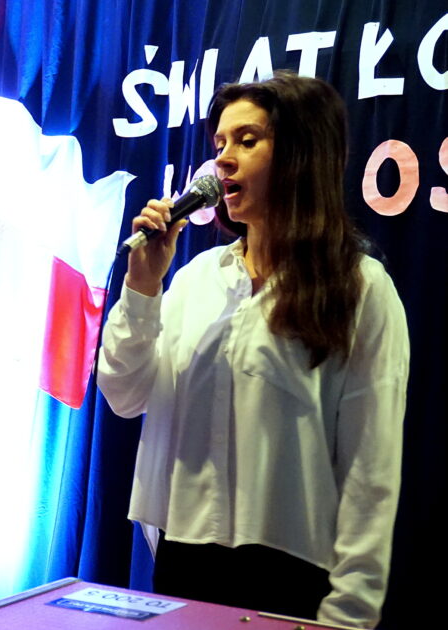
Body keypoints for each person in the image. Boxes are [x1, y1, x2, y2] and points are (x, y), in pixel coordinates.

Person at [97, 72, 408, 628]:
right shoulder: (195, 280)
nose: (223, 159)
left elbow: (371, 469)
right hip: (183, 564)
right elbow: (124, 394)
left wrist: (350, 612)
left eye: (247, 140)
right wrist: (142, 289)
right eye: (219, 143)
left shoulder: (360, 287)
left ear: (300, 156)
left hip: (295, 575)